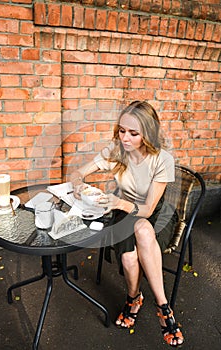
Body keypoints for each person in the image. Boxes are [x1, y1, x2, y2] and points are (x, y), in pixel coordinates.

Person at [70, 101, 184, 347]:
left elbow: (148, 209)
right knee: (129, 258)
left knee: (143, 229)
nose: (125, 137)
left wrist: (119, 203)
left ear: (148, 134)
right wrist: (78, 184)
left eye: (133, 133)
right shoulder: (116, 150)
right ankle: (135, 298)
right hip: (123, 211)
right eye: (122, 130)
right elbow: (76, 173)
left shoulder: (162, 159)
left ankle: (162, 306)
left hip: (156, 214)